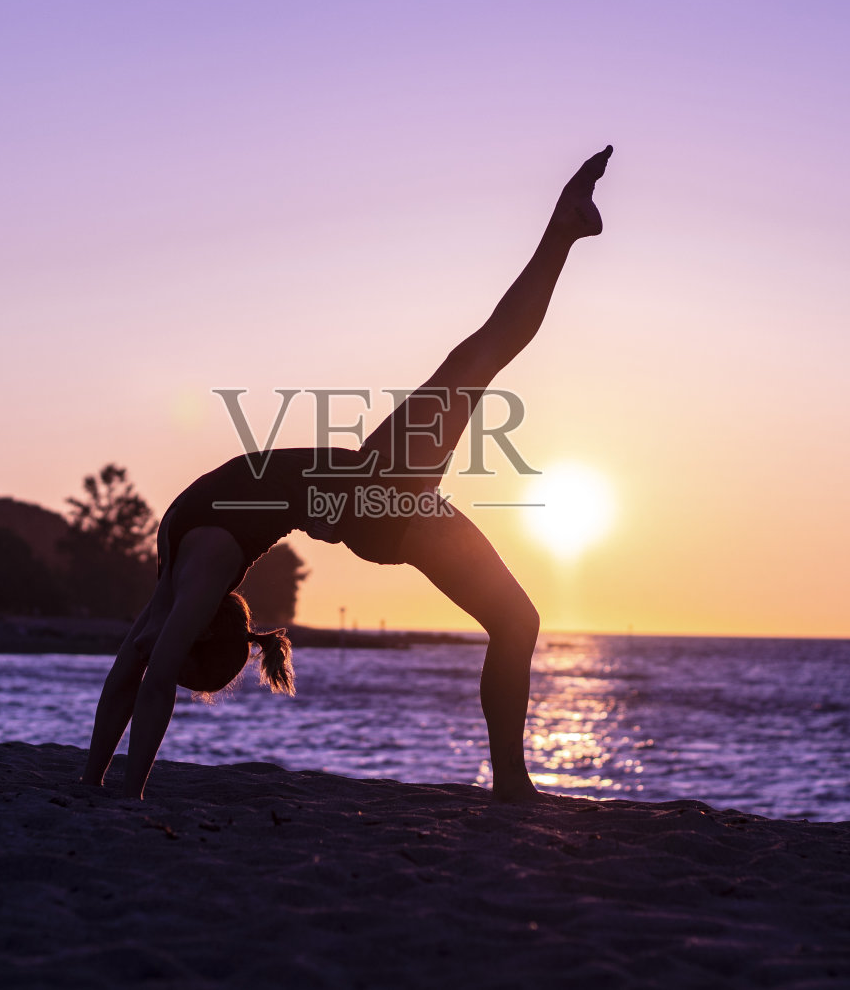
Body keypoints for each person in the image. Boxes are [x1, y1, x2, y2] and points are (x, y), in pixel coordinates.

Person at [82, 145, 613, 801]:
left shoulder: (175, 568)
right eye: (186, 644)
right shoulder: (206, 561)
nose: (168, 642)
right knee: (479, 358)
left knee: (516, 615)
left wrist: (93, 781)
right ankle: (510, 783)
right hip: (376, 498)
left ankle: (509, 781)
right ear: (199, 635)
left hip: (372, 484)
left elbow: (135, 667)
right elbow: (155, 677)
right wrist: (130, 794)